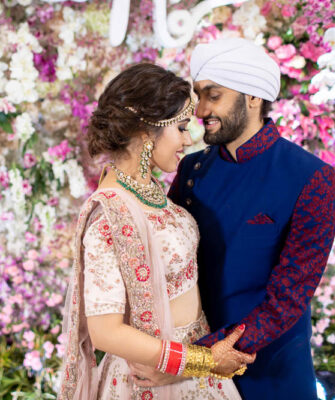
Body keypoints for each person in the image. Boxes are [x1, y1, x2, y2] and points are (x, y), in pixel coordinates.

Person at [129, 38, 335, 400]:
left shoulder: (310, 178)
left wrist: (194, 359)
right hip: (191, 375)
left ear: (253, 97)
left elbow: (286, 300)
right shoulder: (192, 169)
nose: (200, 109)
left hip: (269, 374)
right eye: (199, 95)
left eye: (214, 95)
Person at [58, 63, 256, 400]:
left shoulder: (148, 190)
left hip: (196, 368)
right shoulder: (109, 213)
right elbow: (105, 332)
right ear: (147, 132)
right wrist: (204, 360)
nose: (188, 138)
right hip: (153, 377)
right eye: (180, 127)